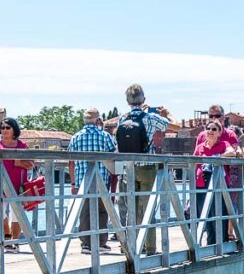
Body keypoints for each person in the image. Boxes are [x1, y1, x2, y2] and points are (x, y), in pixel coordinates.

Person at [115, 84, 171, 254]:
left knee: (130, 209)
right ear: (144, 100)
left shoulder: (122, 119)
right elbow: (169, 125)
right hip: (147, 168)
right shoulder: (151, 118)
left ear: (127, 101)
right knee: (147, 209)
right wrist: (166, 114)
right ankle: (150, 248)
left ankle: (130, 247)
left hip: (128, 168)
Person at [0, 117, 34, 253]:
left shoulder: (22, 146)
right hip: (0, 185)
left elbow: (31, 164)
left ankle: (14, 242)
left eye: (7, 128)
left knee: (17, 214)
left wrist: (20, 163)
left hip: (18, 185)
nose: (4, 130)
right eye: (2, 128)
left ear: (14, 129)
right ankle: (7, 237)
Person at [69, 108, 116, 254]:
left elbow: (71, 161)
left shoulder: (75, 137)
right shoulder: (105, 136)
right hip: (101, 179)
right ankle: (100, 242)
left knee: (84, 212)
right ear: (98, 120)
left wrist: (73, 183)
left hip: (82, 180)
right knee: (102, 211)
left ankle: (86, 244)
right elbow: (113, 156)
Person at [193, 122, 230, 246]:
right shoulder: (200, 147)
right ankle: (210, 244)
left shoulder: (223, 144)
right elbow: (193, 161)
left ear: (219, 132)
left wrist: (217, 157)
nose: (210, 131)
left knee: (218, 213)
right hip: (201, 182)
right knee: (205, 215)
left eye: (214, 129)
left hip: (218, 182)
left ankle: (221, 244)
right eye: (208, 128)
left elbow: (232, 152)